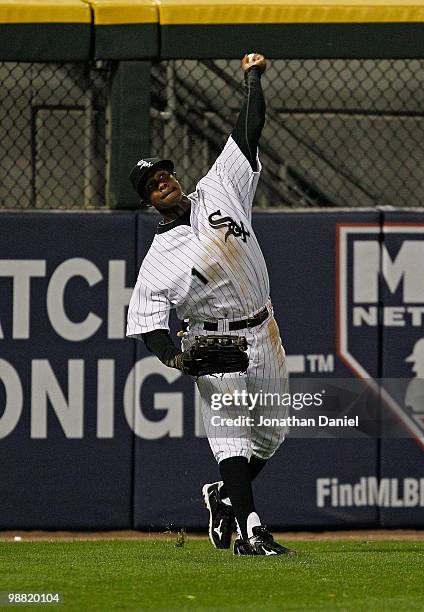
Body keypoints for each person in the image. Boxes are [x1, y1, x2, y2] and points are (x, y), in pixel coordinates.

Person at [127, 53, 294, 556]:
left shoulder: (218, 187)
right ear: (148, 202)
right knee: (233, 441)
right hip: (213, 341)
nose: (162, 182)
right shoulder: (158, 258)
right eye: (151, 184)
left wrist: (253, 79)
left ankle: (223, 501)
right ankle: (253, 532)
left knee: (271, 435)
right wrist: (176, 359)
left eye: (163, 174)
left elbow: (249, 131)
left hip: (263, 328)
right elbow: (148, 322)